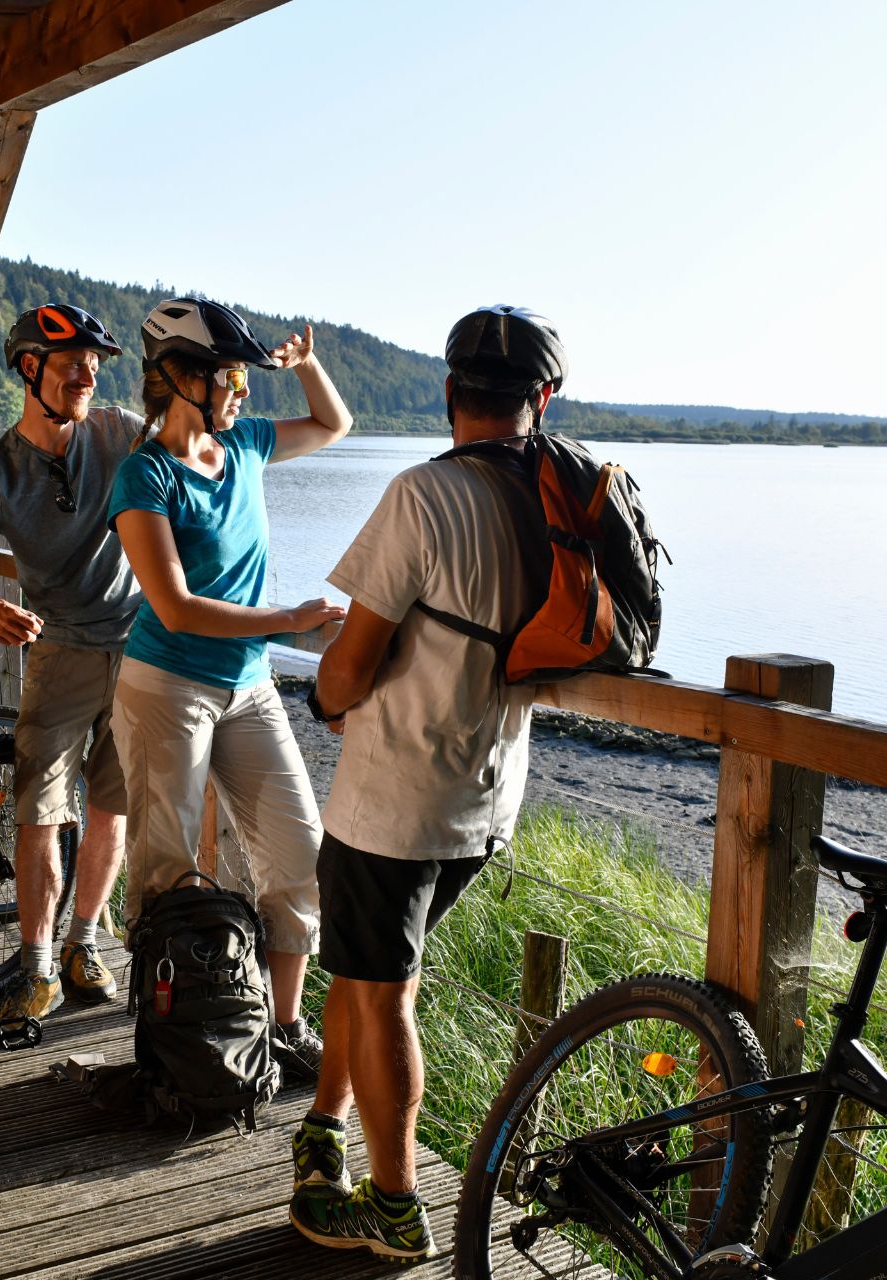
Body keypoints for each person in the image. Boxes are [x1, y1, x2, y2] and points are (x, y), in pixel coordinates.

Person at [287, 305, 565, 1262]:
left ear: (450, 395)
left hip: (394, 799)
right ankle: (325, 1119)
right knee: (365, 971)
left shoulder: (422, 495)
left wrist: (324, 697)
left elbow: (351, 665)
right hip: (487, 798)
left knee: (383, 994)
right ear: (545, 399)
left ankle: (397, 1207)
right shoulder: (553, 501)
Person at [105, 296, 351, 1082]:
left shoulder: (243, 446)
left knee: (299, 855)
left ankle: (282, 1027)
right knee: (165, 867)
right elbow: (173, 605)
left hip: (248, 688)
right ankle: (169, 1044)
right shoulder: (144, 475)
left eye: (245, 375)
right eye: (230, 375)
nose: (243, 391)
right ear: (180, 379)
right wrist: (290, 620)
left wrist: (307, 364)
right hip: (166, 689)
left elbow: (332, 426)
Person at [0, 303, 140, 1036]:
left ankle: (85, 944)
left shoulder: (120, 431)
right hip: (58, 653)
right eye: (72, 364)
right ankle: (37, 968)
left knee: (111, 808)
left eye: (94, 364)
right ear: (30, 369)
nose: (89, 374)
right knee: (39, 812)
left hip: (139, 646)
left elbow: (196, 456)